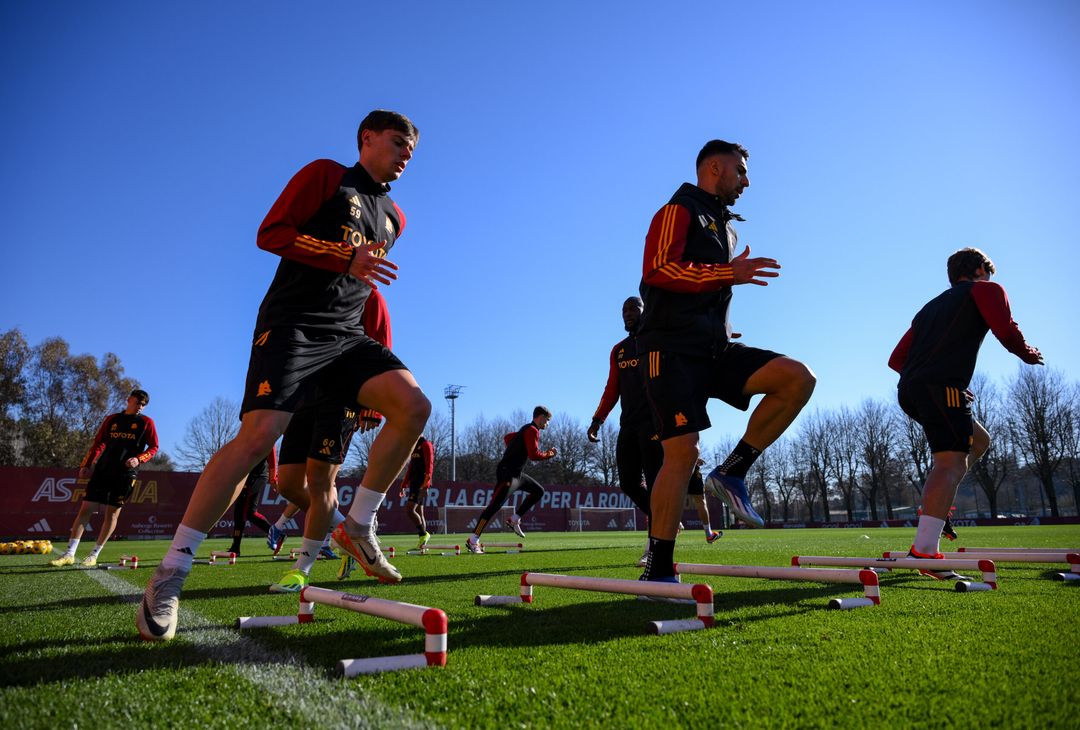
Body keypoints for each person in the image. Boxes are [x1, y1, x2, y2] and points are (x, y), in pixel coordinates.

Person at [138, 110, 430, 642]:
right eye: (398, 142)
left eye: (412, 148)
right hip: (294, 326)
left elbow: (363, 285)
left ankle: (358, 526)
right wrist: (344, 256)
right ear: (366, 139)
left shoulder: (395, 218)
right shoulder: (324, 175)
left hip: (346, 338)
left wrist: (357, 279)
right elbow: (271, 233)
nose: (406, 153)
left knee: (414, 406)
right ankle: (170, 574)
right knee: (256, 440)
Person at [637, 139, 816, 582]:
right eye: (741, 171)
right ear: (714, 168)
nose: (747, 181)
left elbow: (705, 288)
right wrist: (727, 273)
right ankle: (658, 569)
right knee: (682, 453)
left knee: (797, 378)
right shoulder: (676, 210)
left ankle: (732, 473)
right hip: (669, 350)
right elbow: (659, 271)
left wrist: (722, 322)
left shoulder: (726, 227)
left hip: (713, 349)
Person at [889, 247, 1042, 578]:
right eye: (987, 272)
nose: (990, 279)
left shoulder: (929, 308)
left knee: (979, 441)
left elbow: (896, 359)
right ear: (979, 270)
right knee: (950, 462)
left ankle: (936, 506)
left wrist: (929, 379)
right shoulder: (986, 289)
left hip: (912, 391)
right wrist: (1027, 352)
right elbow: (1006, 329)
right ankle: (924, 552)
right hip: (939, 387)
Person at [268, 286, 391, 593]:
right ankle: (347, 534)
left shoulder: (369, 295)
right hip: (303, 394)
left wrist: (372, 406)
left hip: (342, 396)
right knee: (289, 485)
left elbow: (380, 345)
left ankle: (301, 570)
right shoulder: (313, 287)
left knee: (321, 480)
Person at [588, 296, 661, 564]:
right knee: (629, 483)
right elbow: (611, 389)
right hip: (628, 425)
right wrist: (598, 419)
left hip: (655, 423)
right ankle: (662, 517)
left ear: (646, 311)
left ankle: (654, 547)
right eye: (624, 310)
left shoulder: (657, 340)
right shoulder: (618, 350)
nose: (628, 313)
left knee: (655, 485)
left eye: (634, 308)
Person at [50, 389, 158, 568]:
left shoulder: (146, 423)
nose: (140, 407)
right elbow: (98, 443)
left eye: (143, 405)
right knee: (85, 509)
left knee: (111, 513)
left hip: (125, 474)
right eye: (137, 402)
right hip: (103, 470)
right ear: (128, 400)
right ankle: (69, 554)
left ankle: (93, 555)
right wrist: (87, 465)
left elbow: (154, 447)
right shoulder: (112, 419)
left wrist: (138, 459)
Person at [466, 406, 557, 554]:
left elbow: (508, 437)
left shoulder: (526, 429)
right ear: (540, 418)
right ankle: (473, 540)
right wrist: (549, 454)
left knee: (538, 491)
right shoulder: (533, 430)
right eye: (547, 420)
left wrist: (515, 448)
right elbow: (534, 455)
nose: (547, 424)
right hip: (507, 473)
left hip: (516, 475)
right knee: (494, 506)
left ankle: (514, 519)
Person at [226, 446, 277, 556]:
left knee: (241, 510)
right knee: (249, 512)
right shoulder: (248, 435)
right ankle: (276, 534)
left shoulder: (268, 435)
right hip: (247, 477)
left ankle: (236, 547)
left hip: (257, 477)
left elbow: (272, 459)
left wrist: (273, 479)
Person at [400, 435, 435, 549]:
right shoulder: (414, 446)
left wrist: (426, 485)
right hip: (414, 484)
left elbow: (429, 466)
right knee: (420, 513)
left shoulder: (426, 444)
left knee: (410, 510)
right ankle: (422, 545)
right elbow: (410, 468)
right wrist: (404, 485)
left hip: (421, 484)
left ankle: (423, 534)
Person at [687, 460, 722, 544]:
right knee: (700, 500)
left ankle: (665, 533)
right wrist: (695, 457)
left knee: (674, 499)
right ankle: (709, 534)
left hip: (671, 466)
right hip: (688, 465)